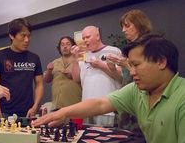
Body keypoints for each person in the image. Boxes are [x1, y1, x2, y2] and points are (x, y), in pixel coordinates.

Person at [33, 34, 185, 143]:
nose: (131, 72)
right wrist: (63, 112)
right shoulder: (136, 90)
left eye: (136, 65)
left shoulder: (181, 97)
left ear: (161, 62)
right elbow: (100, 104)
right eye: (130, 66)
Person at [106, 9, 152, 131]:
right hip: (128, 101)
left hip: (143, 100)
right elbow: (124, 79)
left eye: (127, 26)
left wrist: (126, 64)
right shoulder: (129, 49)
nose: (123, 30)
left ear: (139, 25)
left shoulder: (150, 46)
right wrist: (112, 68)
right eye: (122, 27)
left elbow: (148, 75)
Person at [0, 18, 44, 119]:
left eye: (29, 36)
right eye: (23, 35)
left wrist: (35, 106)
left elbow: (39, 84)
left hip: (28, 113)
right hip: (5, 113)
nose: (27, 40)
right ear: (11, 35)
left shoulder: (34, 58)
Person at [71, 25, 122, 126]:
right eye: (83, 38)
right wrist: (75, 59)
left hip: (107, 110)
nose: (85, 40)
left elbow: (120, 77)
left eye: (88, 37)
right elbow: (76, 78)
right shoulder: (84, 55)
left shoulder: (113, 51)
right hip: (87, 110)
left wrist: (101, 65)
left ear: (97, 36)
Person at [43, 36, 82, 110]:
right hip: (56, 106)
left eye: (68, 44)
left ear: (73, 46)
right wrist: (49, 71)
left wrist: (73, 75)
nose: (65, 47)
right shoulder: (55, 62)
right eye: (62, 45)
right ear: (59, 48)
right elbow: (46, 80)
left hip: (74, 105)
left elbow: (84, 79)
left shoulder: (79, 61)